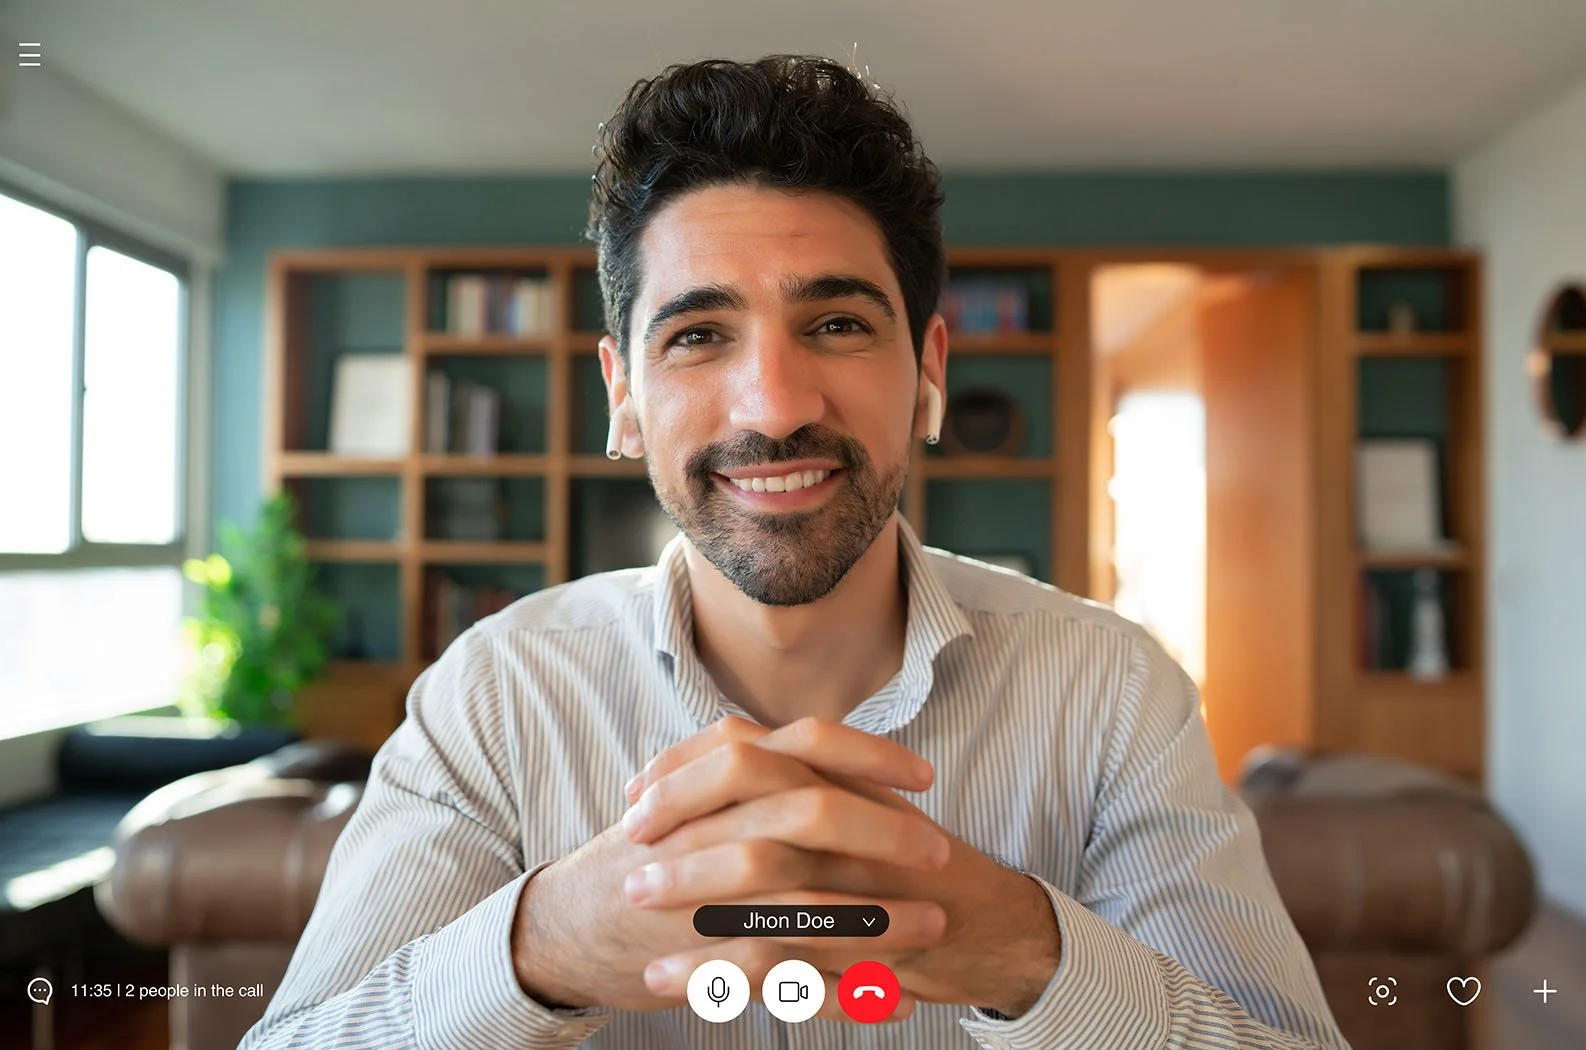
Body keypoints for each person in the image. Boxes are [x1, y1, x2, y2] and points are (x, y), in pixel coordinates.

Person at [239, 55, 1348, 1050]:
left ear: (928, 372)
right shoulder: (493, 693)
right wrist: (544, 949)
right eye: (697, 336)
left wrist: (1026, 953)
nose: (773, 406)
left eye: (837, 325)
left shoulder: (1113, 690)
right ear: (622, 397)